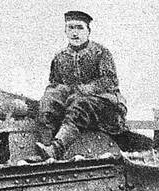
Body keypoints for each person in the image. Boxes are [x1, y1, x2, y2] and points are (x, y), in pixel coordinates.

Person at [31, 10, 127, 161]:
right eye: (70, 28)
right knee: (48, 102)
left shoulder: (100, 52)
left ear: (88, 31)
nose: (75, 33)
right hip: (73, 106)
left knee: (79, 104)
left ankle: (56, 149)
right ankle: (45, 148)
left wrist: (85, 90)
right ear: (65, 31)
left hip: (106, 107)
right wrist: (54, 96)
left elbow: (109, 81)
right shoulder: (60, 57)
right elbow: (55, 83)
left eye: (80, 28)